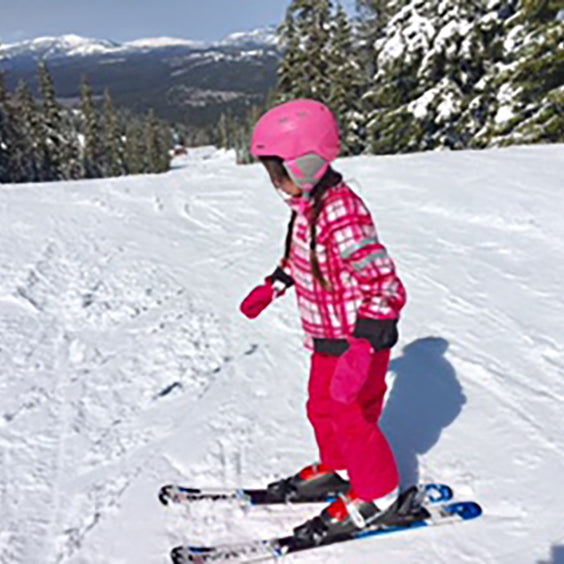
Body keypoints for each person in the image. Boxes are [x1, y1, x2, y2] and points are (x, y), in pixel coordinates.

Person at [239, 99, 407, 544]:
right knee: (321, 407)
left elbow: (385, 286)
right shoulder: (308, 208)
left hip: (357, 342)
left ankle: (379, 493)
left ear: (308, 163)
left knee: (352, 415)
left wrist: (364, 346)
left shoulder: (341, 213)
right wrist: (275, 284)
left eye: (280, 172)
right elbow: (303, 260)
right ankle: (340, 468)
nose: (276, 183)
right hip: (326, 338)